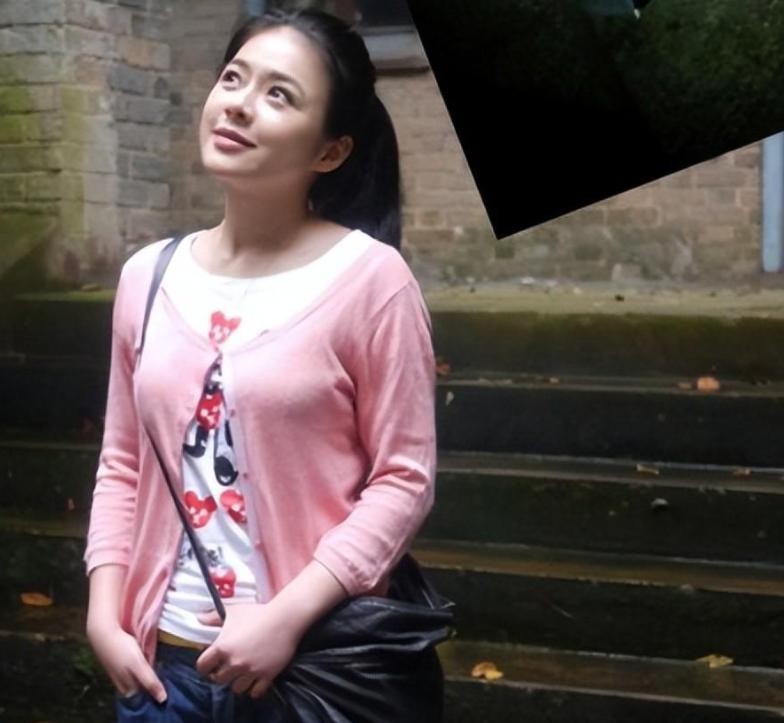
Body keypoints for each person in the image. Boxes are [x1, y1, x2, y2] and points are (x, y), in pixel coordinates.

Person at [83, 7, 438, 721]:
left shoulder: (371, 282)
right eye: (233, 78)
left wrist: (286, 617)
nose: (240, 104)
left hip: (304, 669)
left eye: (279, 94)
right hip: (160, 670)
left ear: (331, 151)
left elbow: (403, 479)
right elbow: (123, 462)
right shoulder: (148, 277)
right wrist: (104, 611)